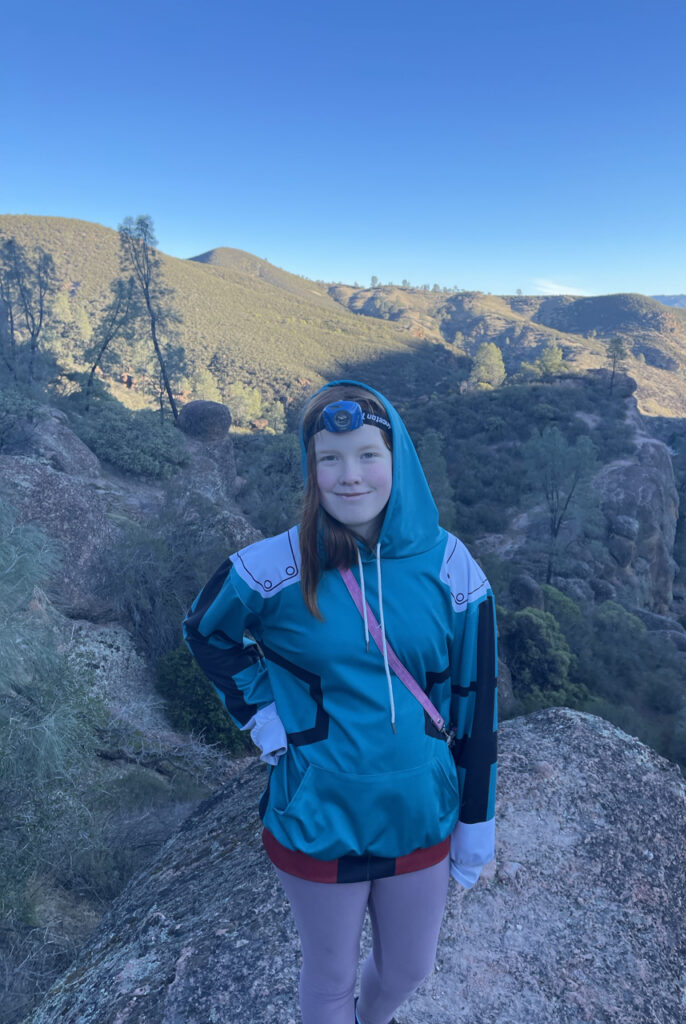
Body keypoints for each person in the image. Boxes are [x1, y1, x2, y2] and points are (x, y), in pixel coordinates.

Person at [183, 380, 497, 1024]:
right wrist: (265, 718)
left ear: (397, 458)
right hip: (319, 811)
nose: (350, 476)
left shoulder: (451, 566)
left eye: (367, 455)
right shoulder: (274, 567)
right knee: (328, 977)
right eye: (330, 458)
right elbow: (206, 630)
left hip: (419, 808)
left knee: (411, 966)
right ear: (311, 469)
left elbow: (476, 702)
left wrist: (476, 817)